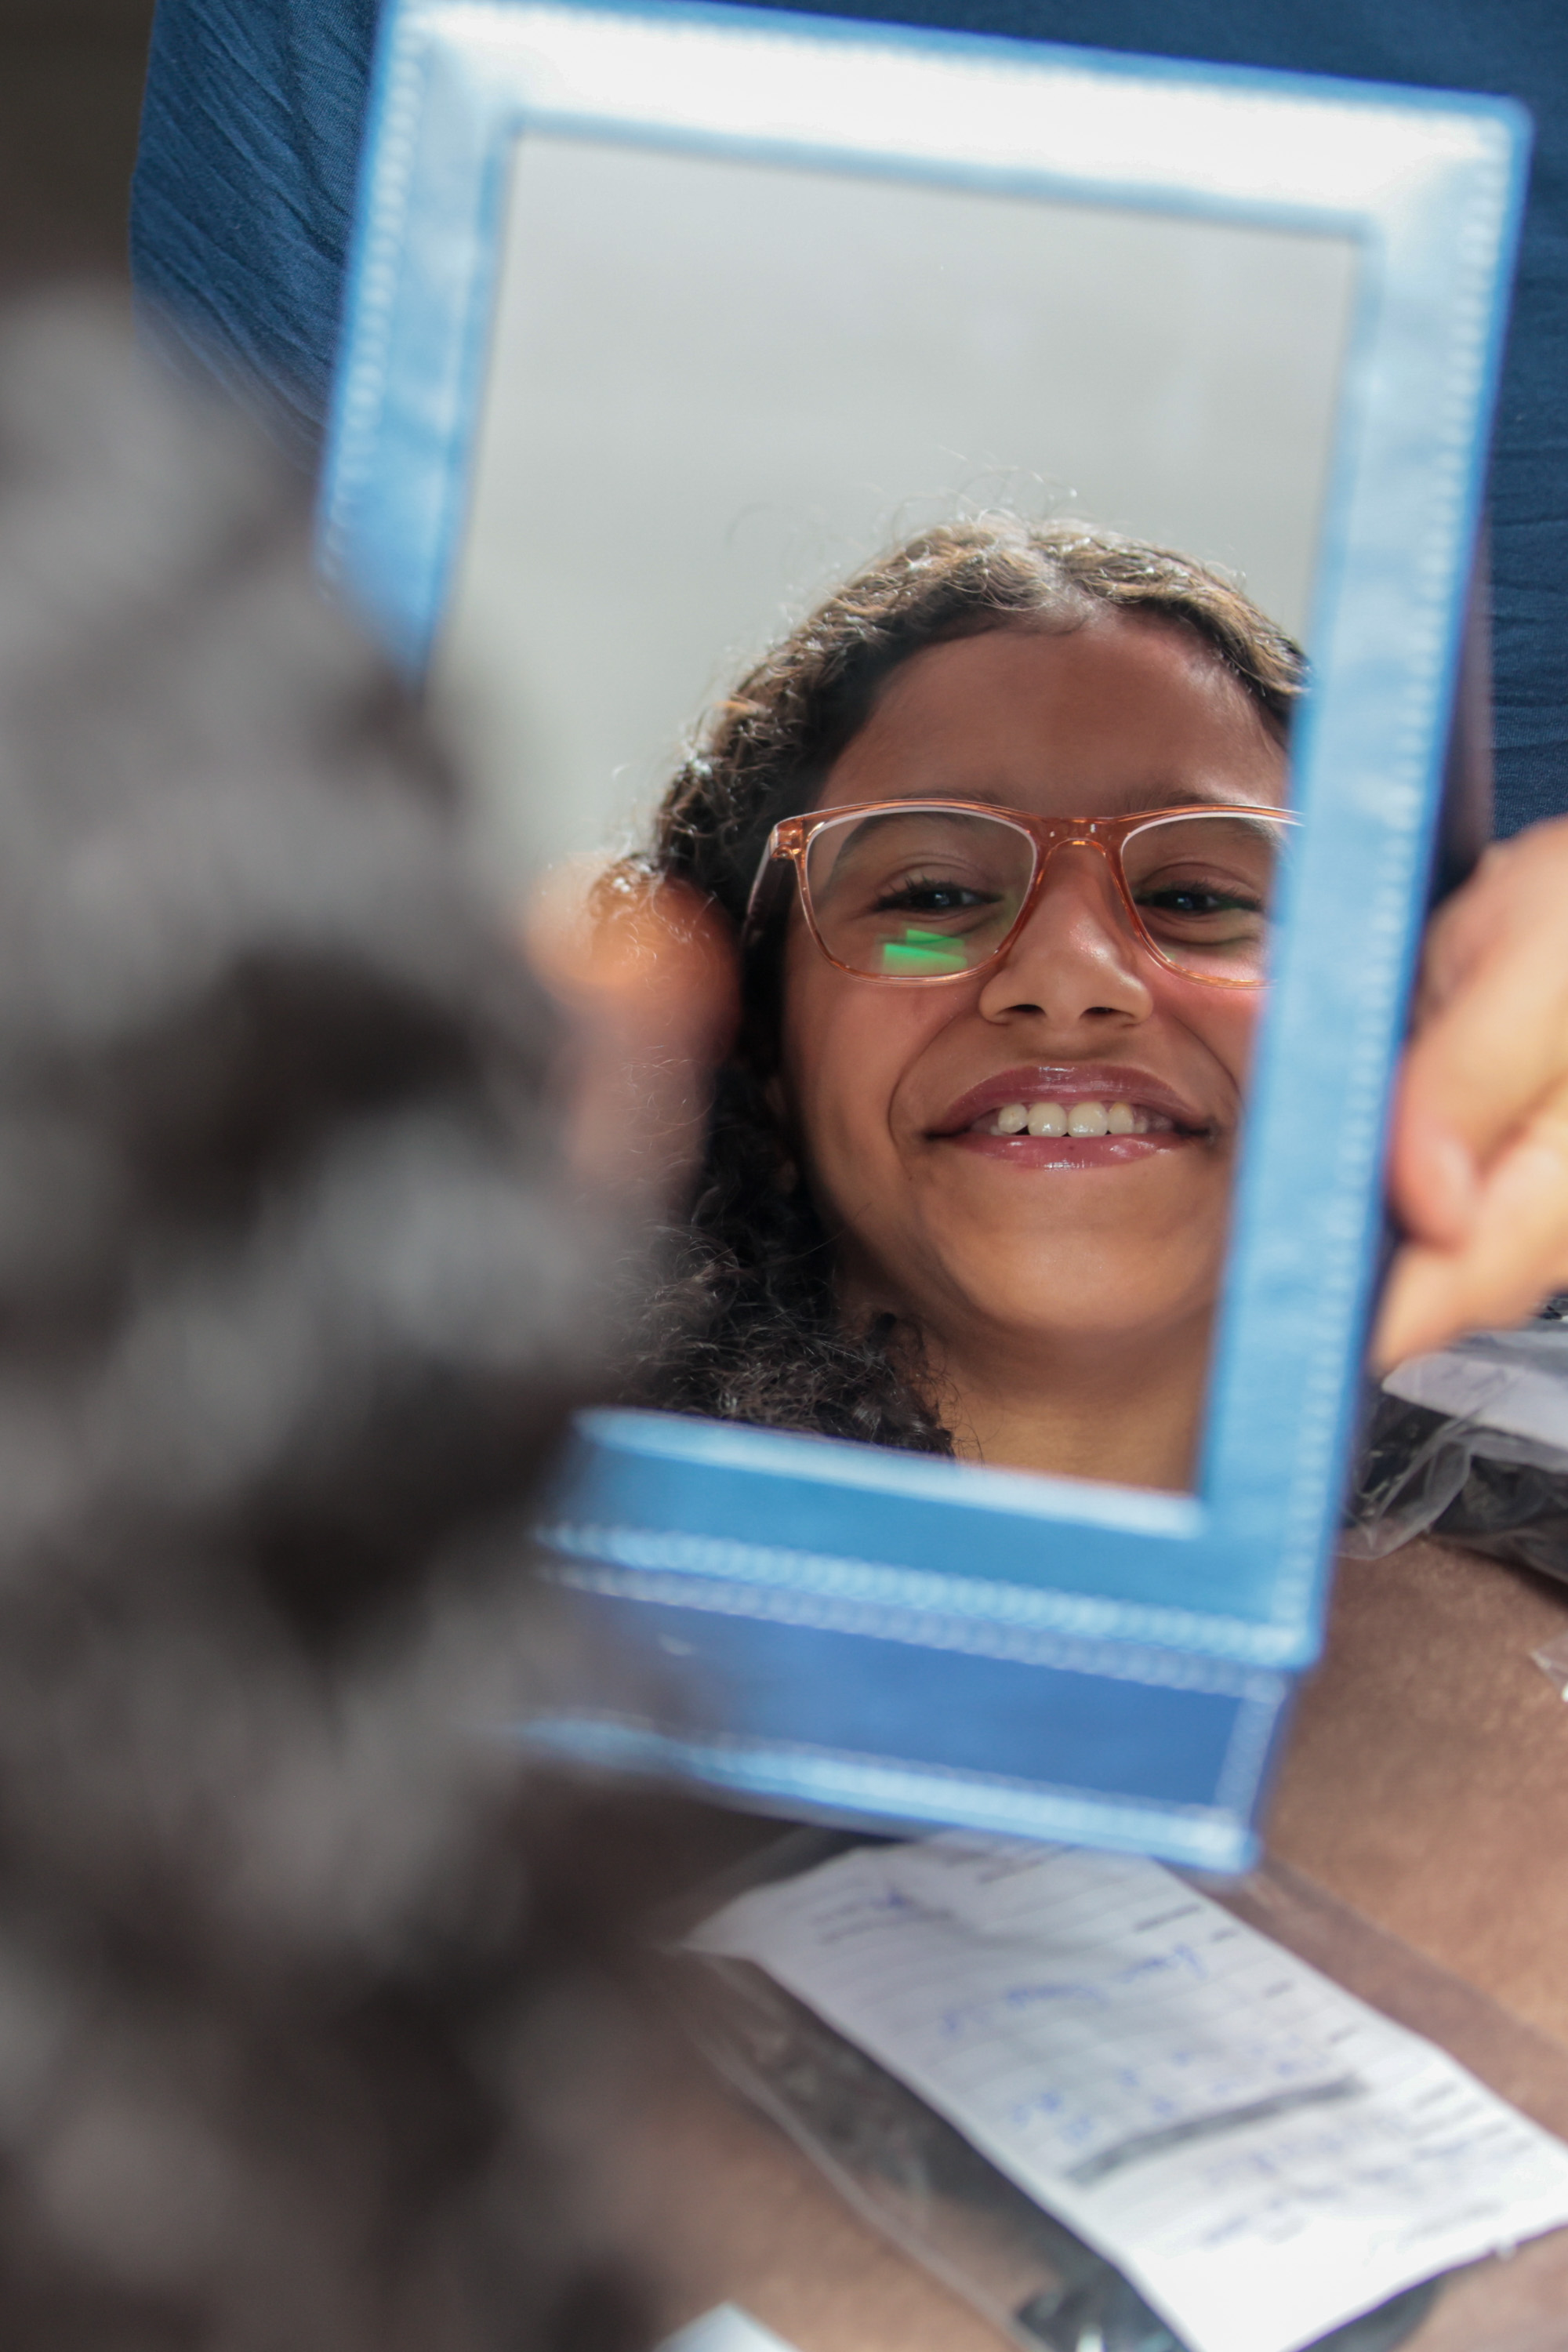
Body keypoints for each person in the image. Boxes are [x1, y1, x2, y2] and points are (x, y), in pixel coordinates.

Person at [619, 515, 1568, 1490]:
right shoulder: (531, 1532)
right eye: (933, 899)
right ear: (758, 1052)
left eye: (1193, 899)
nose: (1067, 979)